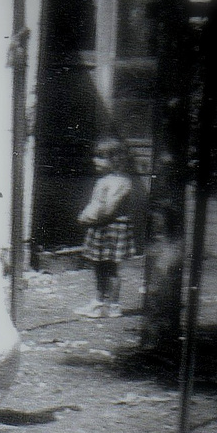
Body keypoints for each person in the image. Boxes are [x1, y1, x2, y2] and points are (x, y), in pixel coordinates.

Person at [74, 137, 136, 319]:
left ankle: (114, 305)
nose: (95, 161)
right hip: (101, 227)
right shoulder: (106, 180)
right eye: (96, 156)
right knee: (99, 267)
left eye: (101, 157)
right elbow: (97, 203)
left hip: (111, 228)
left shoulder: (120, 182)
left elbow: (108, 208)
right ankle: (99, 302)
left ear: (115, 160)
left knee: (111, 269)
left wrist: (87, 218)